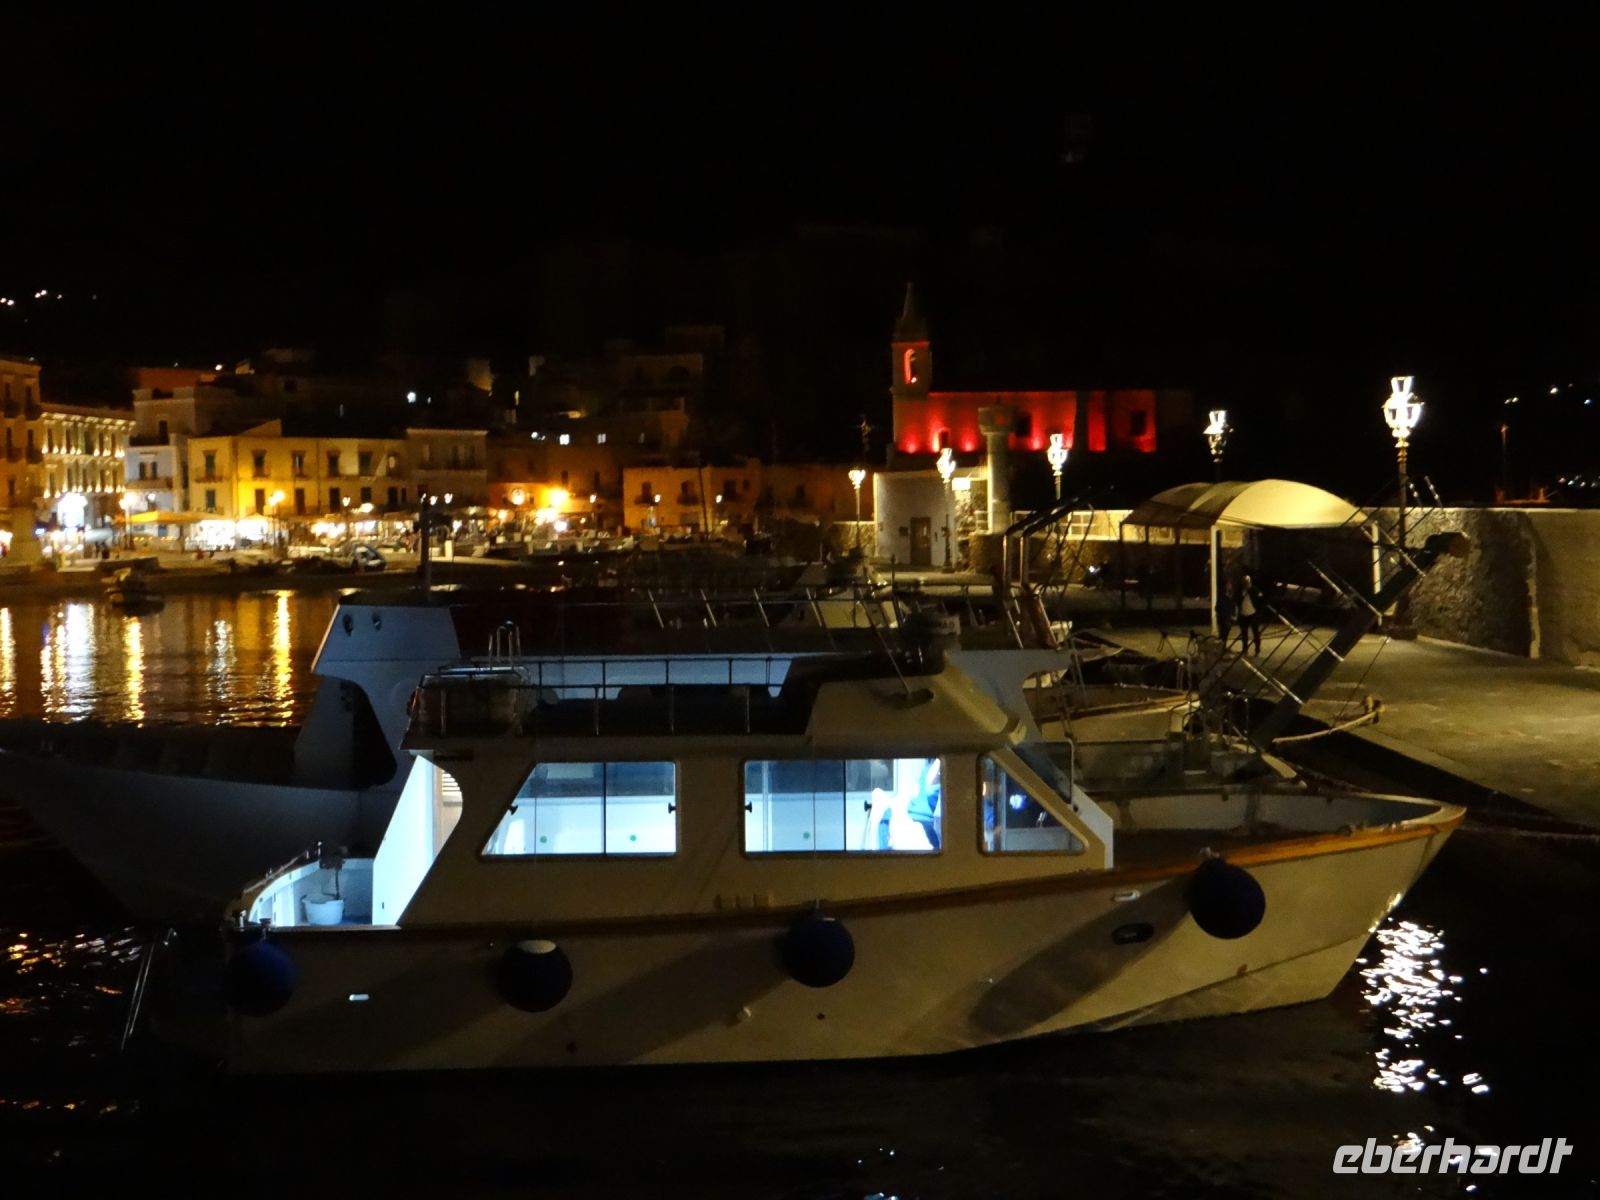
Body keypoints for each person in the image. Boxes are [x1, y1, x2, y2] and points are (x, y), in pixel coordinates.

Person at [1235, 572, 1263, 655]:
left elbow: (1260, 596)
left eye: (1247, 581)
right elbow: (1237, 600)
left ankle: (1257, 649)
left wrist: (1259, 610)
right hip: (1243, 614)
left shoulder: (1253, 589)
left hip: (1252, 613)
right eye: (1244, 582)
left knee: (1255, 632)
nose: (1246, 583)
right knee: (1244, 633)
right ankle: (1245, 649)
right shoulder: (1240, 591)